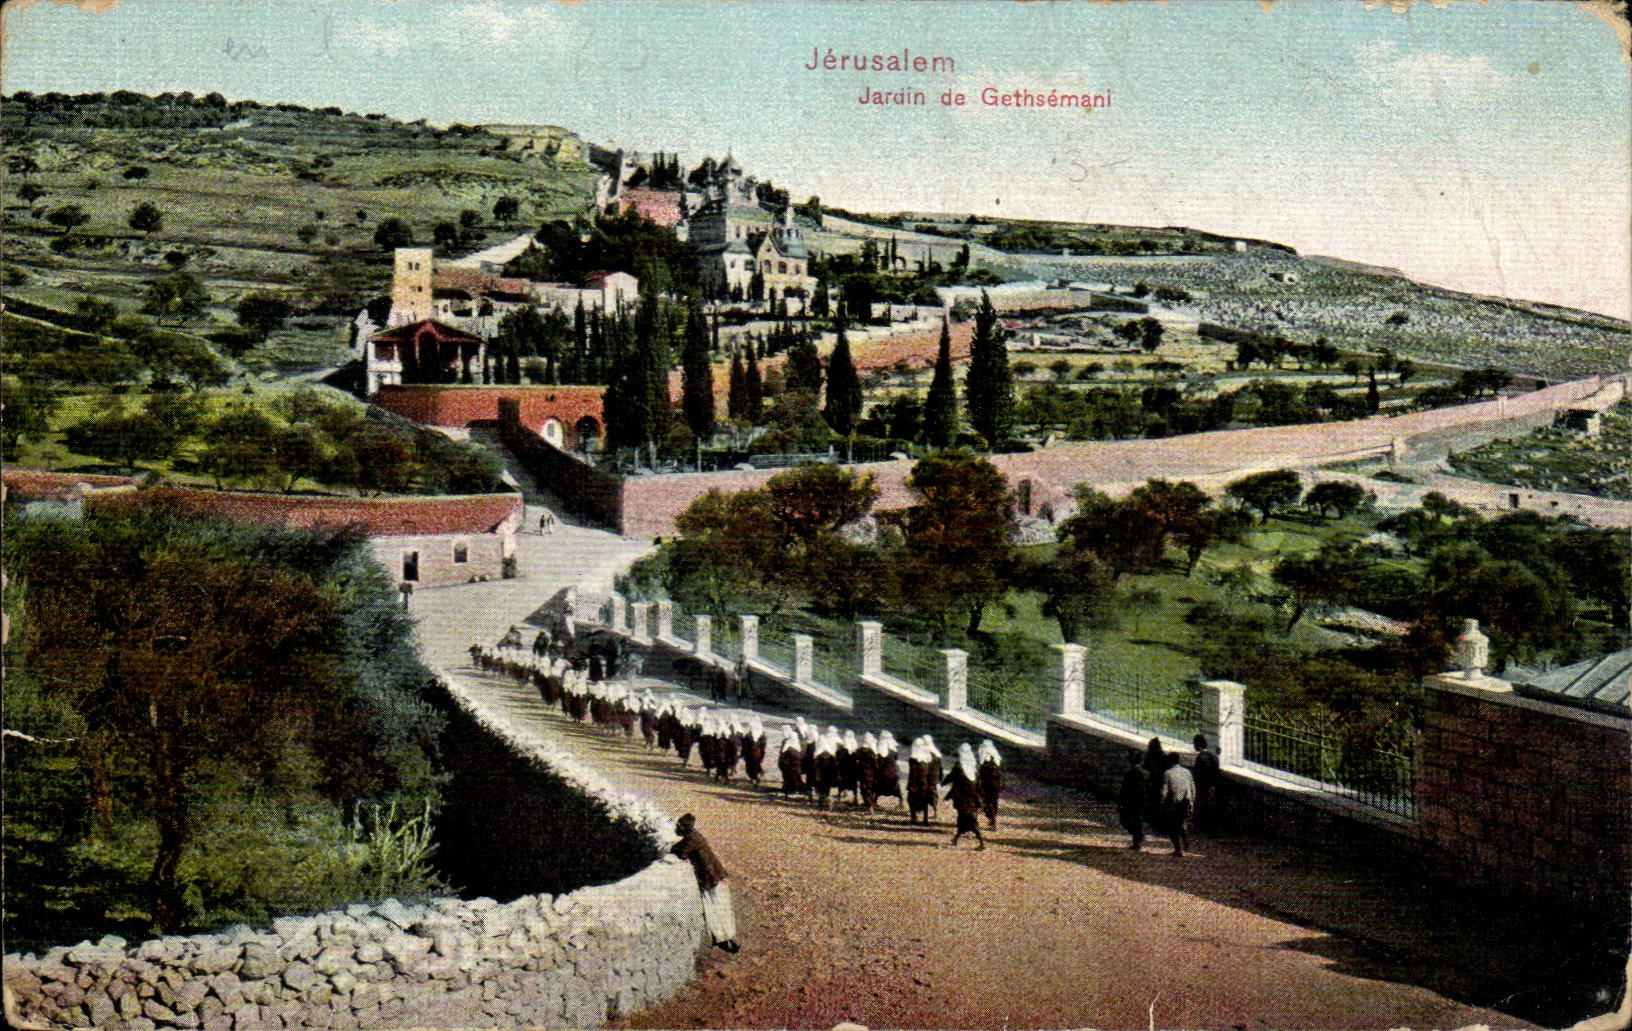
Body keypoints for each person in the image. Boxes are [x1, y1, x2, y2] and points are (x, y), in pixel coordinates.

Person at [670, 814, 739, 954]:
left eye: (679, 826)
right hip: (716, 875)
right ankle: (728, 939)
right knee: (723, 908)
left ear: (684, 828)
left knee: (713, 909)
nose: (676, 829)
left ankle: (722, 940)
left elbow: (680, 853)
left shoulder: (691, 839)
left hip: (709, 878)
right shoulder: (695, 835)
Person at [942, 743, 985, 849]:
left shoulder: (959, 767)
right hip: (972, 797)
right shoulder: (974, 767)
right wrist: (982, 796)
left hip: (962, 797)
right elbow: (978, 784)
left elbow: (952, 778)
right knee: (966, 817)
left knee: (966, 818)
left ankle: (981, 842)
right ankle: (956, 838)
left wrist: (944, 784)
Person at [1161, 753, 1196, 857]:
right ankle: (1185, 838)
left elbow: (1164, 791)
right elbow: (1193, 788)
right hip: (1187, 801)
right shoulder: (1187, 772)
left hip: (1175, 802)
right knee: (1183, 822)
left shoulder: (1168, 773)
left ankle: (1178, 849)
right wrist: (1192, 801)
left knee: (1173, 826)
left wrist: (1162, 803)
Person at [1117, 751, 1147, 851]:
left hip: (1131, 801)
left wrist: (1120, 801)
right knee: (1136, 821)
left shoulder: (1129, 773)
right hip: (1141, 801)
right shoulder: (1145, 773)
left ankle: (1137, 839)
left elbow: (1124, 788)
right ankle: (1137, 839)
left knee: (1126, 820)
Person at [1192, 733, 1220, 831]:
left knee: (1201, 805)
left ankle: (1201, 826)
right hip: (1213, 785)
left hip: (1203, 786)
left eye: (1195, 744)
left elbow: (1199, 774)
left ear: (1199, 744)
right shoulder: (1213, 757)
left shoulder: (1201, 758)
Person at [977, 739, 1002, 830]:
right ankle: (993, 818)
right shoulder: (996, 755)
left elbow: (980, 763)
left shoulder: (983, 753)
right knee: (994, 800)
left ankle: (991, 818)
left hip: (987, 781)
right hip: (996, 782)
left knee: (986, 800)